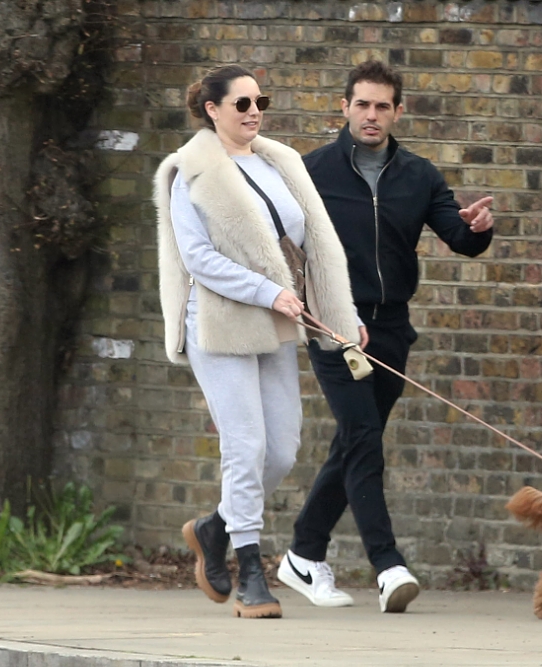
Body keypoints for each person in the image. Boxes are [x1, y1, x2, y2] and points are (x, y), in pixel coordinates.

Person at [277, 60, 494, 613]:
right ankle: (388, 564)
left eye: (382, 106)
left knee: (356, 441)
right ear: (345, 108)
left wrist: (476, 229)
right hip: (334, 324)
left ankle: (302, 552)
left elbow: (459, 237)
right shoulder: (310, 173)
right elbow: (279, 245)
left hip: (392, 327)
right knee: (364, 437)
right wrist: (311, 306)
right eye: (362, 105)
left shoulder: (419, 176)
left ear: (398, 111)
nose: (371, 115)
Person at [153, 65, 363, 619]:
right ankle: (250, 569)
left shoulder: (278, 162)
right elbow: (198, 258)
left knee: (281, 451)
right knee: (245, 447)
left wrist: (341, 316)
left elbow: (314, 246)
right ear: (212, 109)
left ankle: (215, 527)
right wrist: (268, 292)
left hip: (275, 320)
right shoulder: (190, 173)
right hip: (219, 321)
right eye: (241, 103)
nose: (254, 112)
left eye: (259, 102)